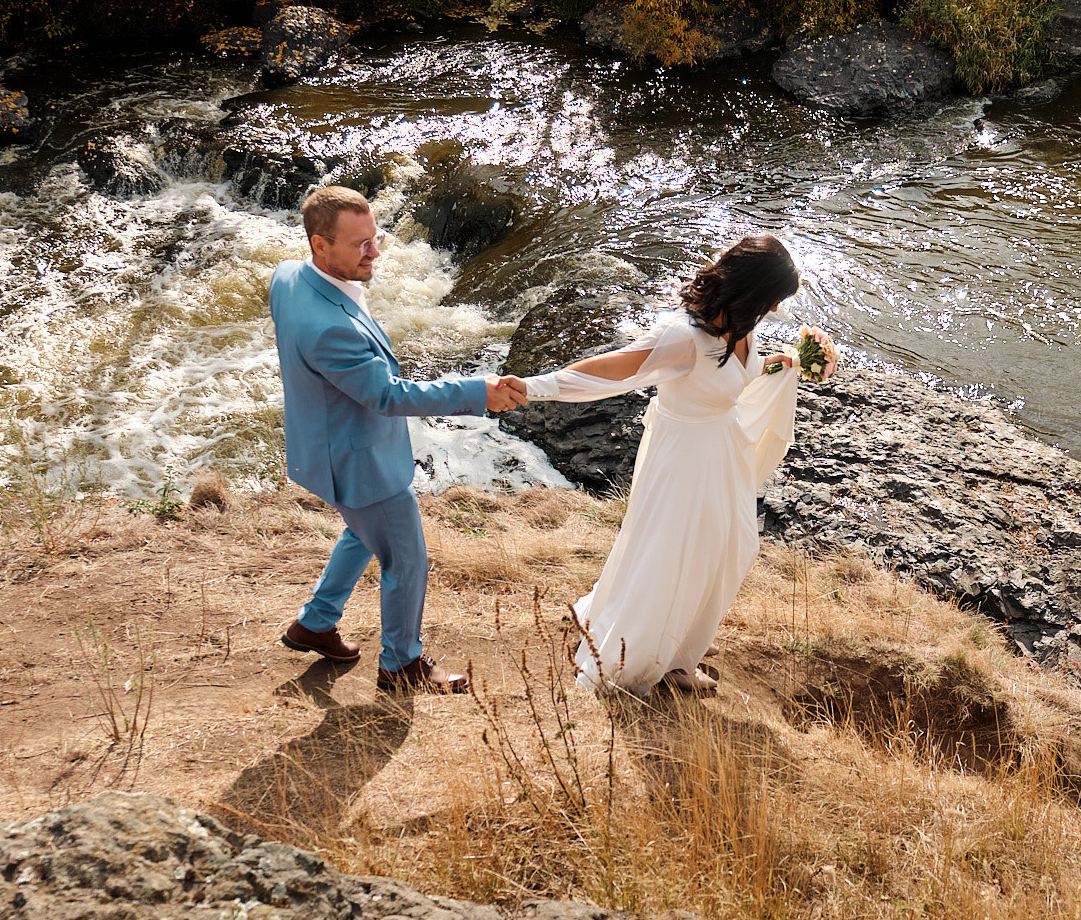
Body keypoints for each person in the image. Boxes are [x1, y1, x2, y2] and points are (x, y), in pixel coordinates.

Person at [267, 184, 527, 694]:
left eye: (375, 237)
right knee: (405, 559)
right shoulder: (328, 330)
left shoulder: (288, 276)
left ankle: (315, 623)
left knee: (364, 532)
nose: (375, 252)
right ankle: (402, 664)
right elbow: (387, 395)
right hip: (359, 460)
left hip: (324, 444)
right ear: (320, 246)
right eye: (359, 244)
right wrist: (480, 391)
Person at [519, 234, 806, 695]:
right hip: (682, 458)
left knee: (726, 550)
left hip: (722, 453)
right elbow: (613, 369)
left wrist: (779, 363)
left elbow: (730, 378)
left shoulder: (739, 323)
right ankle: (649, 658)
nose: (774, 308)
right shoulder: (685, 338)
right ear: (752, 289)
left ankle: (680, 648)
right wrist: (535, 387)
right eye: (773, 298)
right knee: (674, 555)